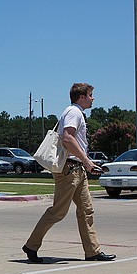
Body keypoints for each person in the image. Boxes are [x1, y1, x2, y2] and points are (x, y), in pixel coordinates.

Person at [22, 83, 116, 262]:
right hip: (69, 170)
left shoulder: (77, 113)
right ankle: (31, 245)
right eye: (90, 95)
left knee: (86, 210)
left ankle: (92, 251)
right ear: (81, 97)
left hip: (77, 168)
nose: (93, 98)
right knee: (58, 212)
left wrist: (85, 162)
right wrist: (87, 161)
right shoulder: (73, 112)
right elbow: (67, 138)